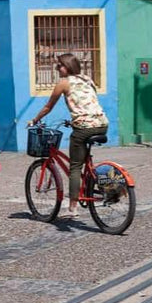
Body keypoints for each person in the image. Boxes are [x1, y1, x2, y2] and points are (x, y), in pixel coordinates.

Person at [28, 53, 108, 218]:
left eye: (59, 66)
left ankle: (73, 207)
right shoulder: (87, 79)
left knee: (75, 167)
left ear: (68, 67)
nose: (57, 68)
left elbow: (48, 107)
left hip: (84, 129)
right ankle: (99, 184)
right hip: (102, 124)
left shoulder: (63, 83)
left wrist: (34, 120)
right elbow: (88, 104)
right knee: (84, 162)